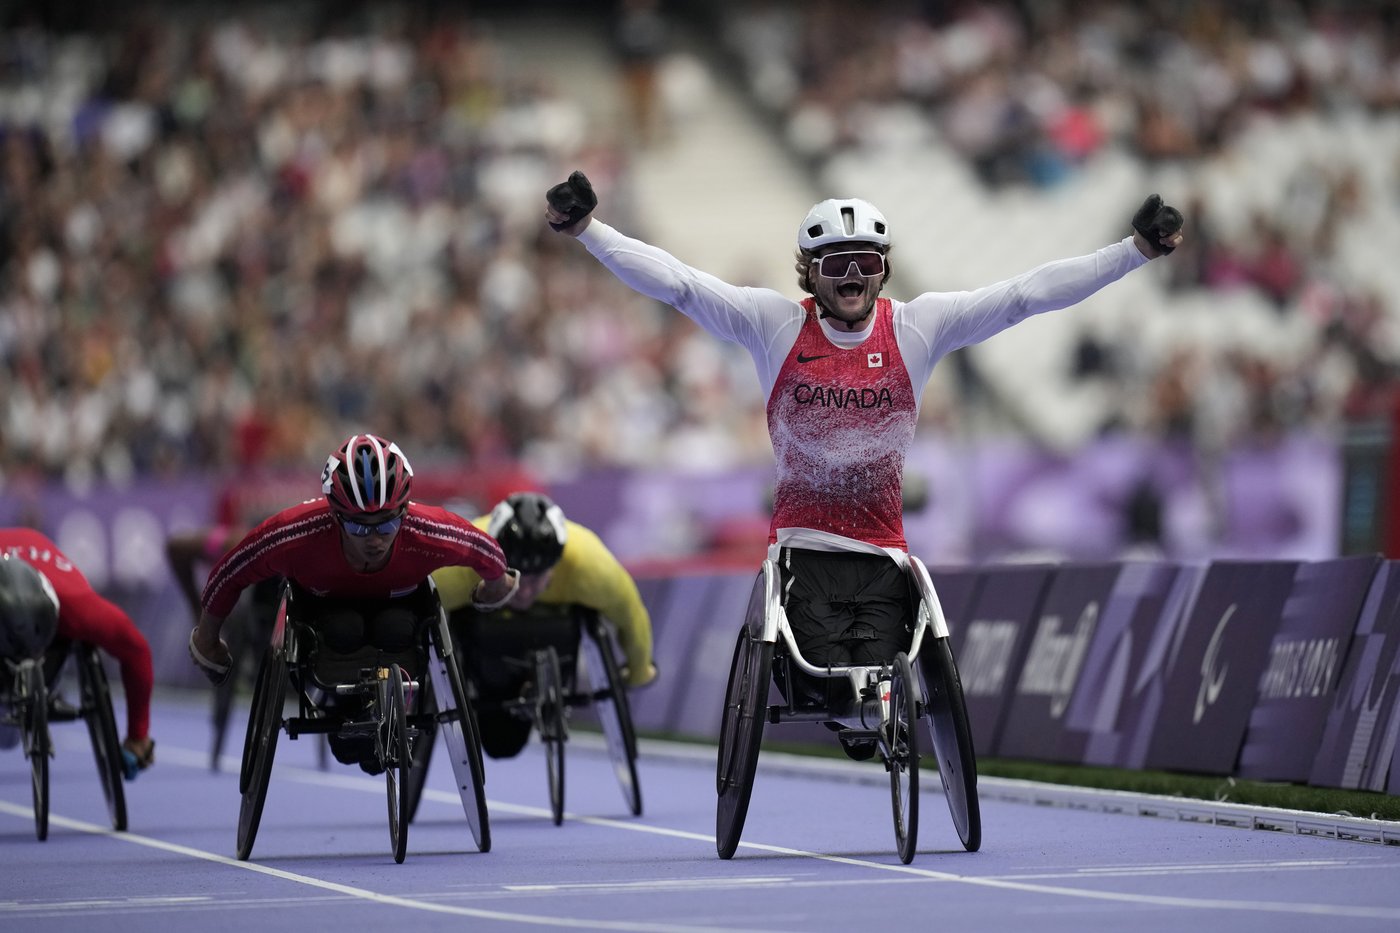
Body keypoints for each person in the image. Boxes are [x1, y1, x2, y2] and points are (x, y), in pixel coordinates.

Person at [545, 170, 1183, 758]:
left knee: (879, 678)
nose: (852, 275)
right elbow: (680, 284)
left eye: (866, 262)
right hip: (800, 554)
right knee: (826, 677)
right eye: (837, 264)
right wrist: (588, 232)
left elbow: (1025, 297)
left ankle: (870, 716)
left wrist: (1134, 251)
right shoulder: (771, 325)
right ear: (810, 273)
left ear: (882, 271)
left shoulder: (918, 327)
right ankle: (854, 714)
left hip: (885, 555)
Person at [187, 432, 520, 771]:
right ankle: (340, 706)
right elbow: (230, 572)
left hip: (398, 620)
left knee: (397, 629)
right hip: (326, 623)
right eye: (360, 528)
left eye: (388, 524)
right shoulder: (296, 531)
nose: (375, 539)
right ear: (334, 515)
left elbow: (489, 555)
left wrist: (495, 588)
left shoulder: (427, 528)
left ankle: (395, 702)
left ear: (404, 510)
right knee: (344, 629)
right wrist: (208, 637)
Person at [432, 491, 656, 759]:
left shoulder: (591, 566)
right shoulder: (461, 563)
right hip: (484, 640)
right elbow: (417, 614)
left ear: (556, 564)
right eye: (514, 576)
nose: (525, 591)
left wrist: (639, 668)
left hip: (557, 636)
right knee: (501, 745)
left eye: (536, 579)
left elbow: (630, 617)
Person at [0, 528, 157, 777]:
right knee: (5, 738)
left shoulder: (80, 609)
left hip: (56, 607)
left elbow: (137, 650)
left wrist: (138, 735)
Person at [166, 525, 281, 769]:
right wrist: (199, 613)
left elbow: (175, 547)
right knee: (238, 618)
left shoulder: (241, 542)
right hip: (254, 613)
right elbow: (175, 546)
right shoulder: (235, 542)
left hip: (285, 610)